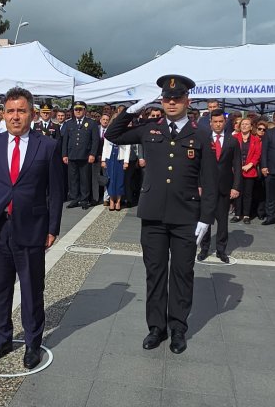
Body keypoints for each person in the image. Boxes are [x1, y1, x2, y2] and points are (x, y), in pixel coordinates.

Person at [105, 74, 217, 355]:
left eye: (177, 98)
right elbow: (112, 134)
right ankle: (156, 328)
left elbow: (211, 180)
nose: (171, 103)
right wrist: (133, 109)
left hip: (186, 216)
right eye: (166, 98)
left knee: (182, 273)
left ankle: (178, 328)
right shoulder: (149, 129)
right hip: (153, 216)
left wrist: (206, 218)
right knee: (155, 273)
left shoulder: (200, 134)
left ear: (187, 101)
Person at [0, 87, 65, 370]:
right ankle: (1, 339)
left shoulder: (47, 146)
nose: (15, 116)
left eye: (21, 111)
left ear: (32, 114)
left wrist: (52, 228)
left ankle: (32, 344)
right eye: (11, 111)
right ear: (3, 114)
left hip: (32, 228)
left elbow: (56, 191)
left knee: (31, 289)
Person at [197, 110, 242, 263]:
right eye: (215, 121)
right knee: (205, 219)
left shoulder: (232, 141)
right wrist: (198, 184)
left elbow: (237, 165)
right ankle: (204, 248)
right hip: (206, 186)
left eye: (220, 121)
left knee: (222, 221)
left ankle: (221, 250)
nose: (218, 124)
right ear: (210, 123)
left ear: (225, 122)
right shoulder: (204, 140)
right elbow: (197, 165)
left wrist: (236, 187)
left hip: (224, 186)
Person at [60, 101, 101, 209]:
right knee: (73, 179)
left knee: (85, 178)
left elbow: (95, 140)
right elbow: (65, 140)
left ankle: (84, 199)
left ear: (85, 110)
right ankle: (74, 199)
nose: (78, 111)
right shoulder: (69, 123)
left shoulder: (91, 123)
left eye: (80, 109)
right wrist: (64, 154)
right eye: (76, 109)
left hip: (85, 155)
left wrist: (92, 154)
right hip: (72, 155)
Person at [231, 116, 261, 224]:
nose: (244, 126)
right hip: (236, 170)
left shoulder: (256, 139)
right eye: (242, 124)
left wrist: (250, 164)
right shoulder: (234, 137)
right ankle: (237, 214)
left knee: (248, 194)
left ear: (251, 127)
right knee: (237, 193)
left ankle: (246, 215)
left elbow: (257, 154)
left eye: (247, 124)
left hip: (250, 170)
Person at [100, 112, 131, 212]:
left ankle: (118, 201)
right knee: (111, 180)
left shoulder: (125, 131)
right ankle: (111, 200)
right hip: (110, 158)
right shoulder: (109, 131)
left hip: (120, 158)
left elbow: (127, 147)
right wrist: (103, 160)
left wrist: (126, 161)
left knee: (119, 180)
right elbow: (105, 147)